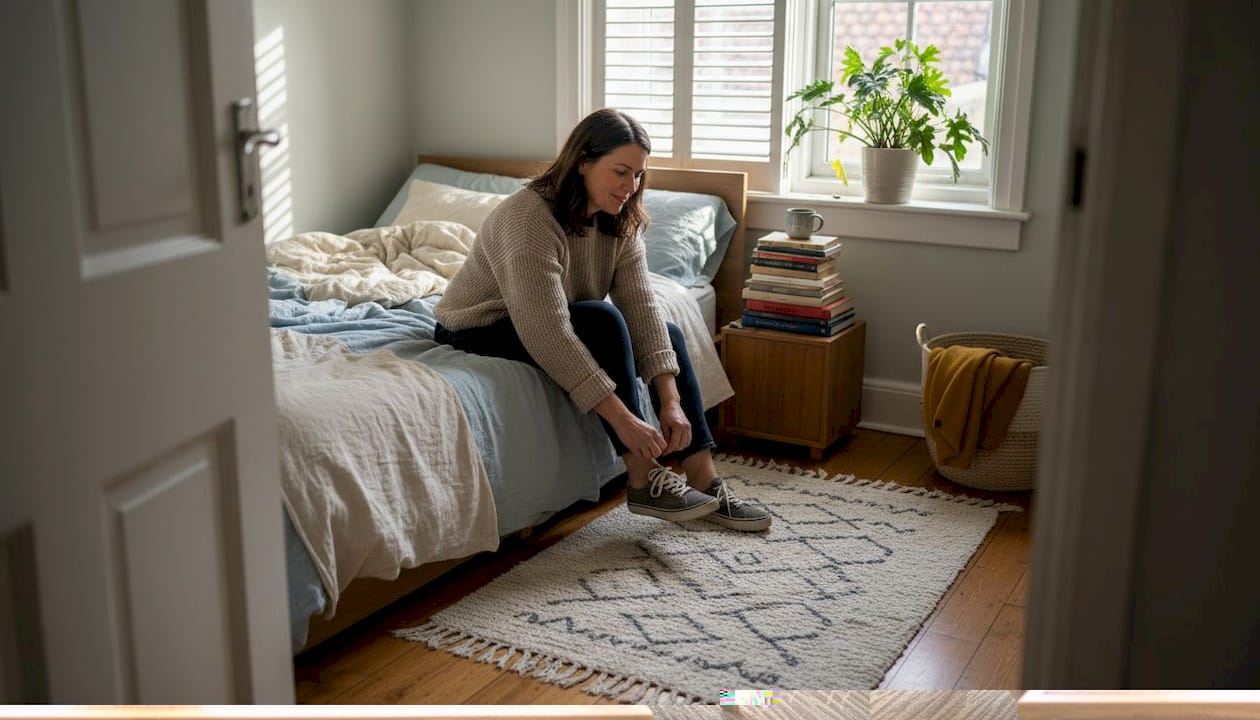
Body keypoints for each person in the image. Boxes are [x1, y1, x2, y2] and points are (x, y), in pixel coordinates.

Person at [433, 108, 771, 532]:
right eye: (621, 172)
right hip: (477, 324)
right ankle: (644, 478)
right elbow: (548, 331)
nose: (631, 187)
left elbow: (643, 308)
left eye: (639, 176)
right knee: (599, 319)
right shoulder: (528, 218)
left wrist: (669, 401)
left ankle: (704, 478)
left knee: (666, 330)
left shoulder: (620, 221)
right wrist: (626, 420)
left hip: (552, 317)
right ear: (582, 163)